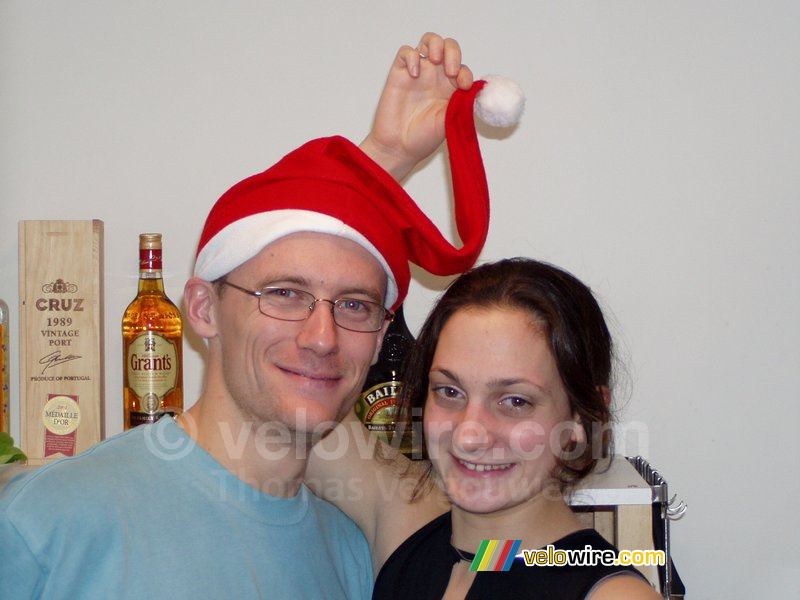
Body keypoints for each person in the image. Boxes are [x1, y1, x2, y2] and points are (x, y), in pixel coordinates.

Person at [0, 33, 498, 599]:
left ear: (384, 332)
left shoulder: (356, 556)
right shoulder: (49, 522)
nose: (321, 337)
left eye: (354, 305)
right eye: (284, 294)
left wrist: (607, 566)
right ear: (204, 309)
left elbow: (520, 560)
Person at [307, 258, 663, 599]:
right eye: (450, 392)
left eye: (515, 402)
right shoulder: (411, 533)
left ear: (581, 419)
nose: (468, 435)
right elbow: (293, 408)